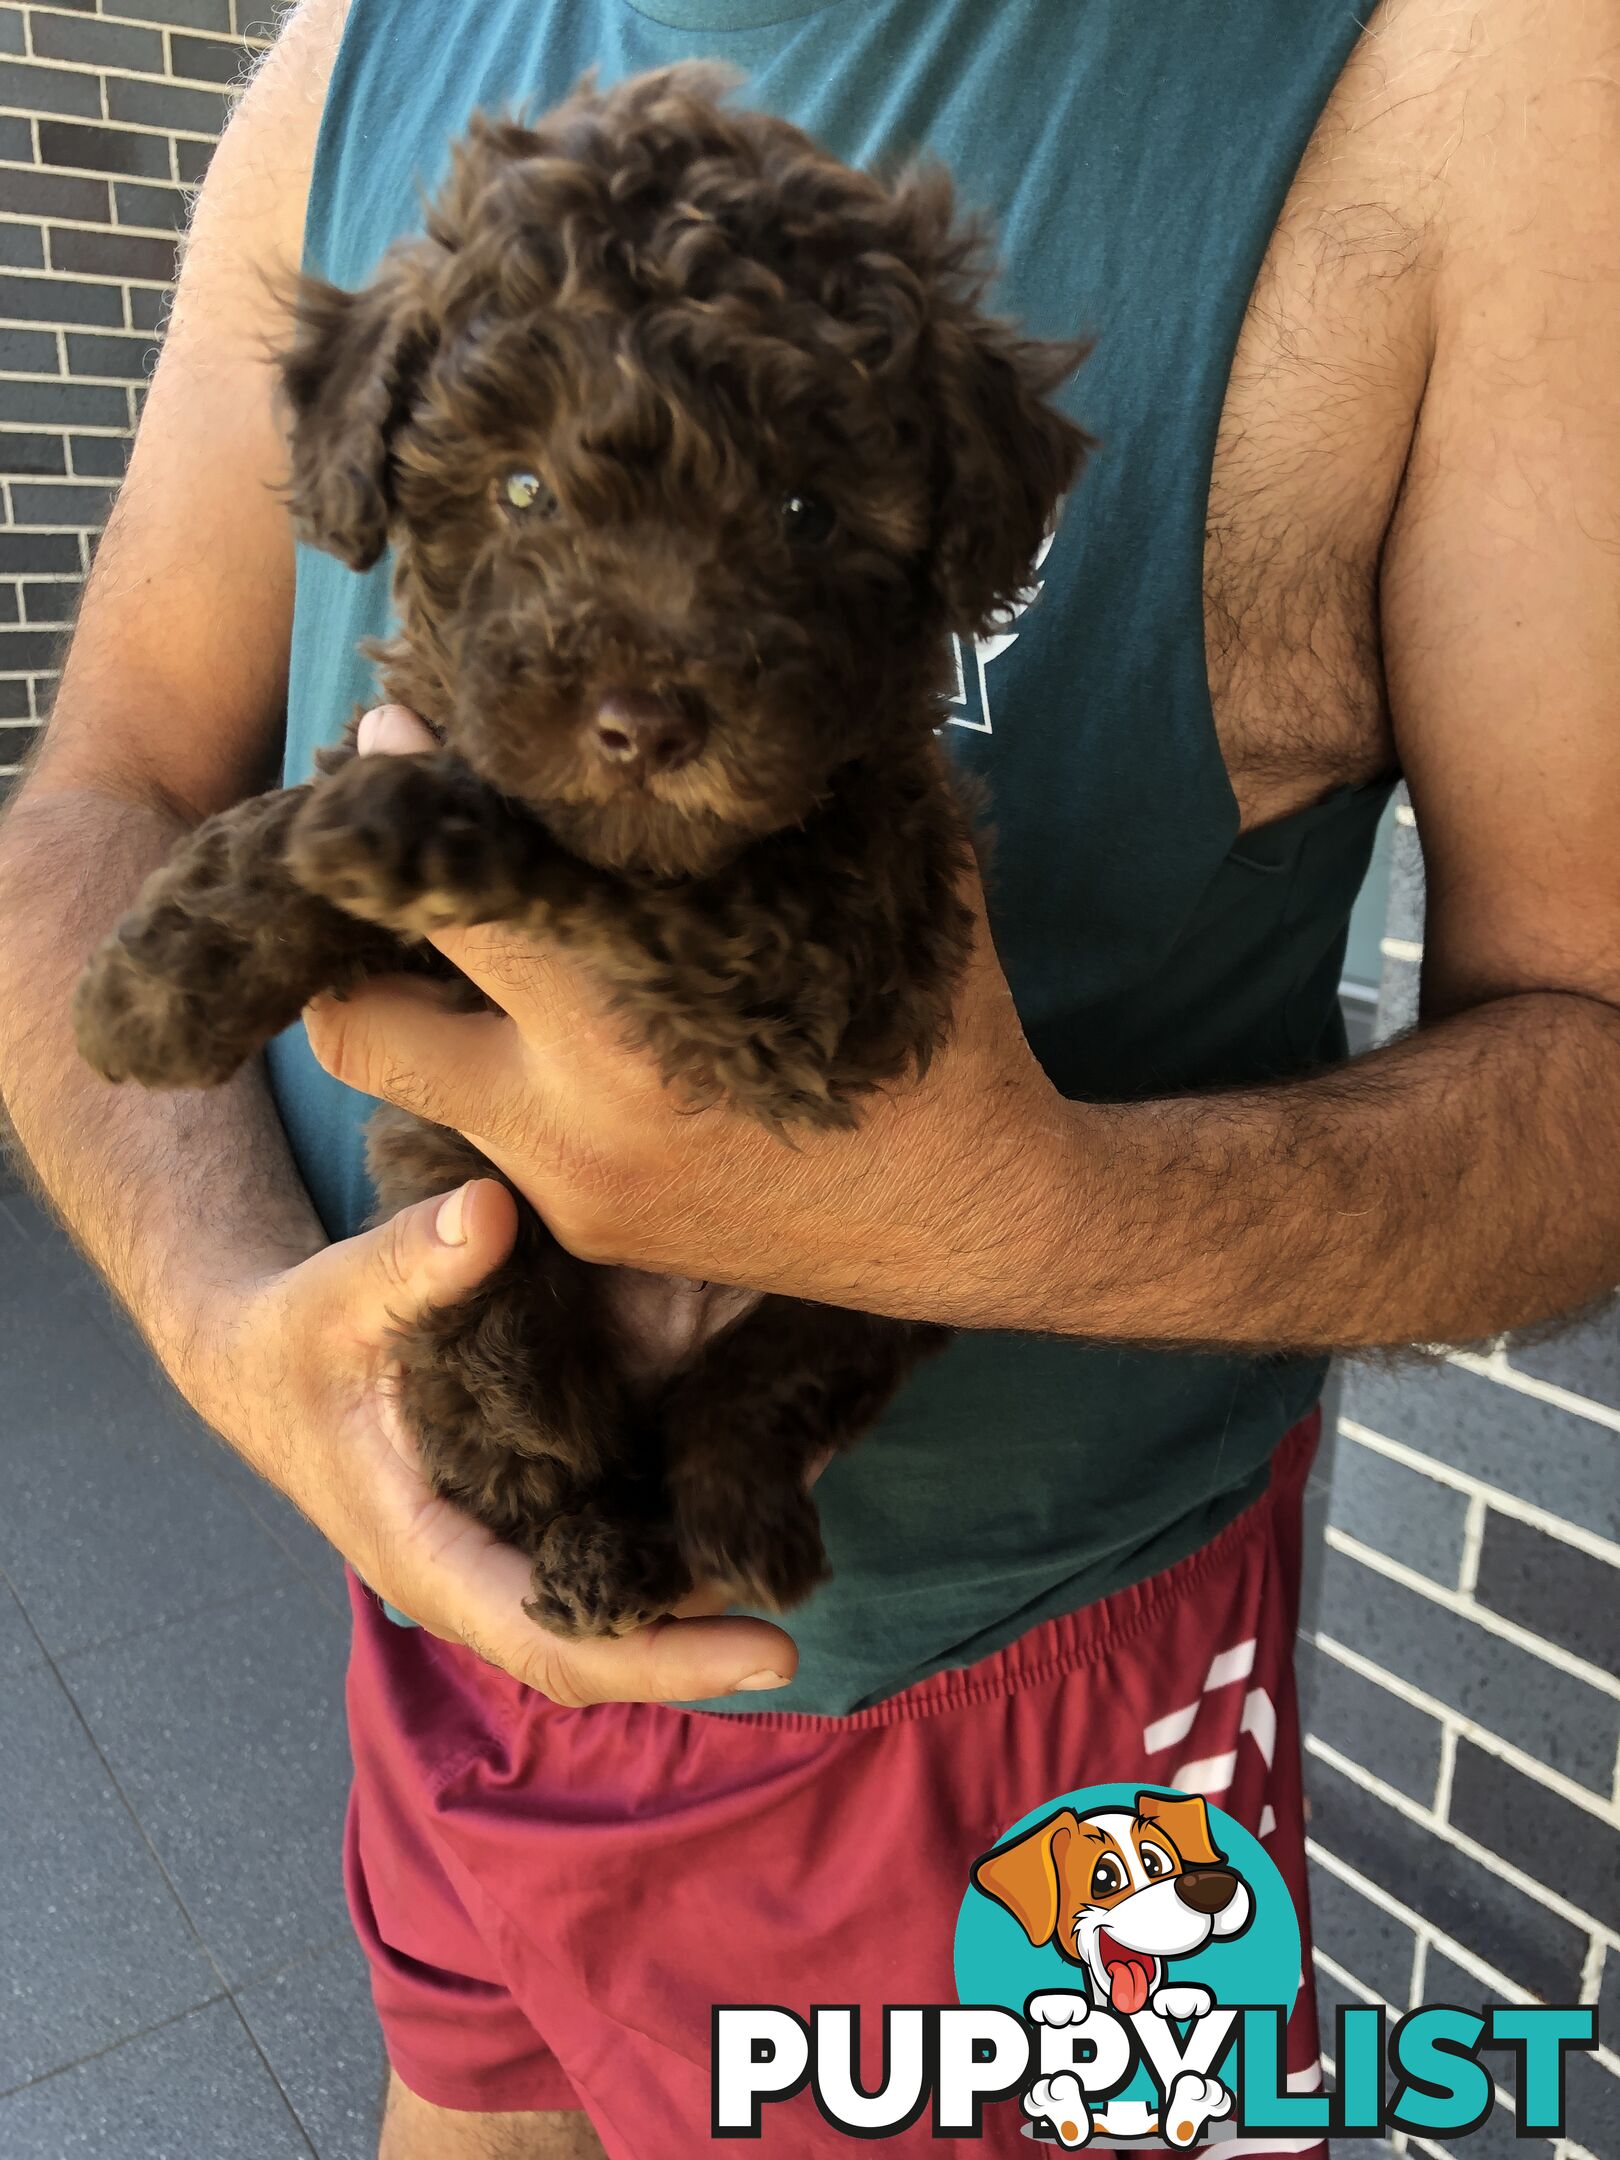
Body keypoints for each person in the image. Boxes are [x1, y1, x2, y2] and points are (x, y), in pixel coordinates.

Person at [1, 0, 1615, 2152]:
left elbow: (1591, 1070)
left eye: (790, 504)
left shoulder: (1481, 67)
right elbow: (89, 806)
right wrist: (241, 1345)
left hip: (1042, 1704)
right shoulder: (346, 56)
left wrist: (983, 1215)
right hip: (442, 1592)